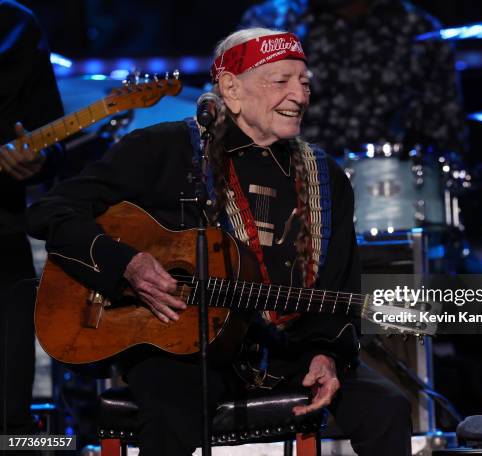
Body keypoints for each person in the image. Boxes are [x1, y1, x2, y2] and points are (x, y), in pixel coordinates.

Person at [28, 28, 412, 455]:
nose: (299, 95)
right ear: (230, 86)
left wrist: (327, 354)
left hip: (286, 350)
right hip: (177, 347)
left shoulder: (326, 179)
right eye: (280, 81)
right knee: (172, 411)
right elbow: (51, 210)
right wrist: (126, 264)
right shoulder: (164, 148)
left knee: (388, 408)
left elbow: (338, 287)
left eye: (304, 82)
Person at [240, 0, 467, 155]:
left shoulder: (419, 30)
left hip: (391, 200)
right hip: (286, 195)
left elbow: (447, 136)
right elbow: (233, 117)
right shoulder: (270, 22)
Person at [0, 0, 65, 439]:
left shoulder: (15, 25)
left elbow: (51, 138)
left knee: (12, 419)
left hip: (2, 236)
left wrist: (38, 159)